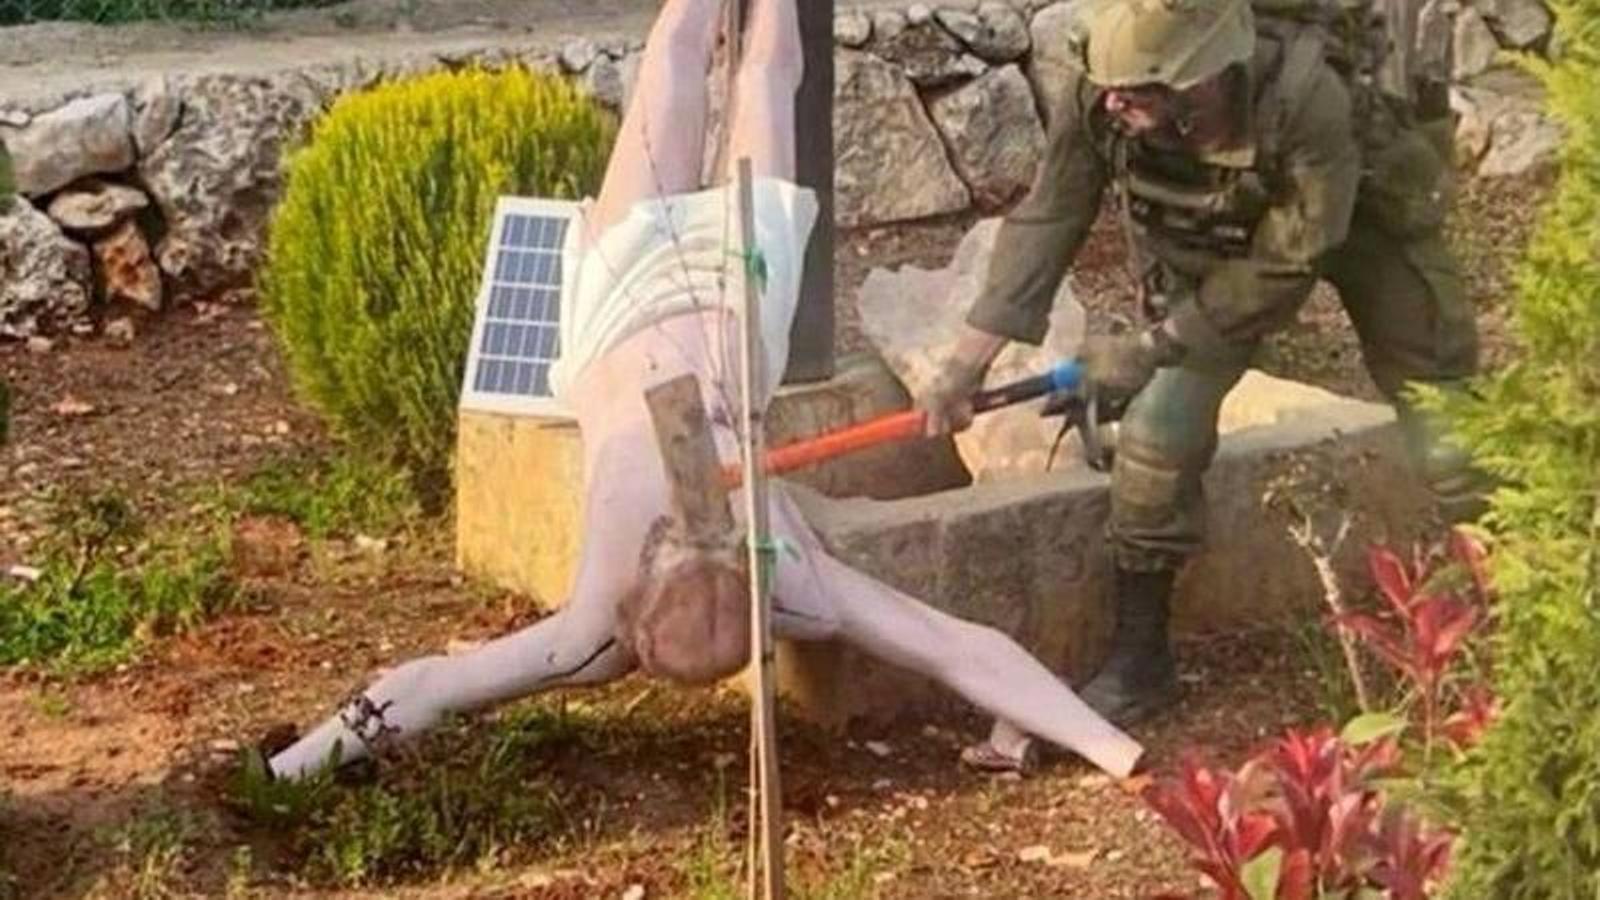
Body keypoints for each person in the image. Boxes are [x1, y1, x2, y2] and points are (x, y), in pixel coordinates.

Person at [262, 0, 1144, 784]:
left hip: (642, 301)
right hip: (725, 292)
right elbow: (961, 649)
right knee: (750, 63)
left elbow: (429, 686)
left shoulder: (637, 619)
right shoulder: (770, 589)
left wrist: (1122, 758)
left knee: (694, 58)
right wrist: (298, 762)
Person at [920, 0, 1482, 746]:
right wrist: (966, 363)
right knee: (1157, 432)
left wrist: (1149, 345)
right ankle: (1142, 657)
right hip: (1218, 247)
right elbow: (1051, 214)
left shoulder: (1308, 99)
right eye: (1111, 89)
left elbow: (1289, 261)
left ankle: (1508, 603)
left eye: (1139, 92)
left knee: (1441, 414)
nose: (1115, 104)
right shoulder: (1106, 88)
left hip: (1356, 216)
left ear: (1204, 79)